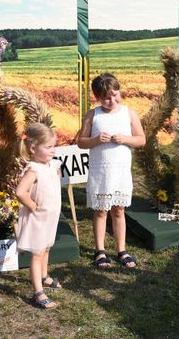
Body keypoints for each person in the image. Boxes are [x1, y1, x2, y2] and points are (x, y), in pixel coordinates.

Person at [77, 73, 146, 268]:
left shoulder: (129, 113)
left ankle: (121, 250)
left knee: (119, 210)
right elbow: (81, 142)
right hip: (101, 172)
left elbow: (141, 139)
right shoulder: (93, 115)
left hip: (121, 171)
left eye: (115, 95)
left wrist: (125, 139)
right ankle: (100, 251)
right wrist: (96, 140)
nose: (111, 100)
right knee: (101, 211)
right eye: (106, 97)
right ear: (97, 97)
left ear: (120, 91)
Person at [15, 122, 62, 309]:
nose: (53, 150)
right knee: (37, 252)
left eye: (54, 146)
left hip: (50, 217)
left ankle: (44, 276)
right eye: (48, 147)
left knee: (47, 247)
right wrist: (33, 206)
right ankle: (37, 292)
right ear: (33, 148)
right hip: (38, 218)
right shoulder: (34, 169)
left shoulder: (52, 165)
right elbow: (20, 192)